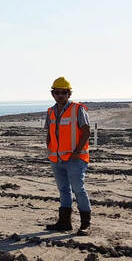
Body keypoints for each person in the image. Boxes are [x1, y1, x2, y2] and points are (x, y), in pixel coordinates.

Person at [44, 76, 92, 235]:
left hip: (75, 159)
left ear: (69, 94)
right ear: (53, 94)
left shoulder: (78, 109)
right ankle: (64, 222)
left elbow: (86, 131)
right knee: (63, 189)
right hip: (57, 159)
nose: (60, 95)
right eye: (57, 92)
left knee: (78, 189)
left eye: (63, 92)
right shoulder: (50, 111)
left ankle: (86, 224)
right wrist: (49, 148)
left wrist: (77, 152)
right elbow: (49, 133)